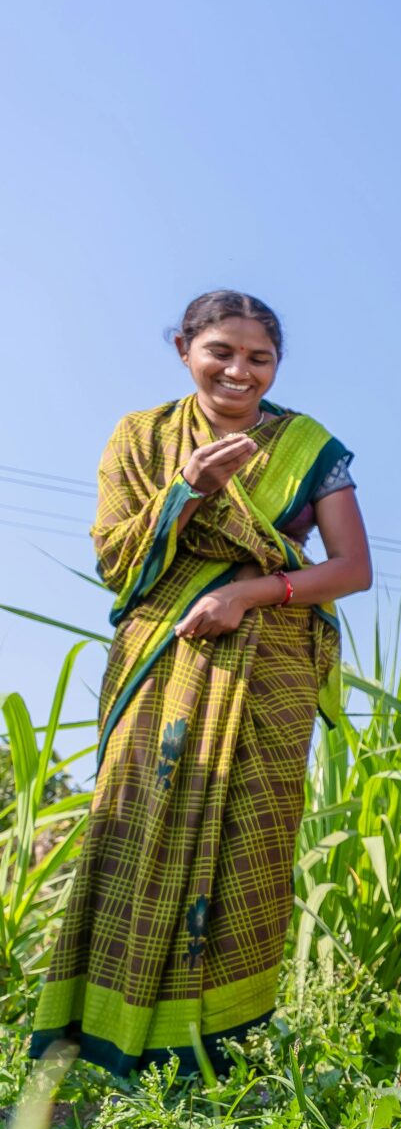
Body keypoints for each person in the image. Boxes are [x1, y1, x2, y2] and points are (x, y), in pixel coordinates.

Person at [32, 291, 373, 1075]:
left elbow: (350, 569)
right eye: (221, 351)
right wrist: (184, 491)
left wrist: (247, 593)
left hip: (270, 667)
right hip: (162, 658)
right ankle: (95, 1053)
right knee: (133, 831)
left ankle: (214, 1056)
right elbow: (115, 558)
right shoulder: (142, 437)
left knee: (247, 846)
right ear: (185, 346)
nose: (238, 370)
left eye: (259, 358)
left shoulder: (308, 446)